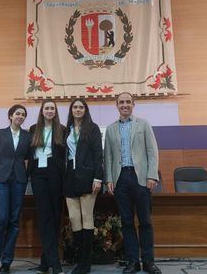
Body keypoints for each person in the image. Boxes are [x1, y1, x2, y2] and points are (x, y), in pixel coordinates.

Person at [104, 93, 162, 274]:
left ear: (133, 104)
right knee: (126, 223)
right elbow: (108, 157)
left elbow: (152, 151)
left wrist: (152, 175)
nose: (124, 105)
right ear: (117, 106)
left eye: (128, 102)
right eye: (121, 102)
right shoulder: (111, 129)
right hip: (121, 179)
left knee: (145, 222)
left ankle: (148, 261)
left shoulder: (143, 124)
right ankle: (132, 261)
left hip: (141, 179)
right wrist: (109, 179)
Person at [0, 105, 31, 273]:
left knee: (14, 221)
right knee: (1, 219)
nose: (20, 116)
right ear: (10, 116)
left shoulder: (27, 135)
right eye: (18, 113)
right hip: (1, 181)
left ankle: (6, 261)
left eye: (23, 115)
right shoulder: (0, 133)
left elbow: (29, 158)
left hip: (19, 181)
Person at [64, 99, 103, 274]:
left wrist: (98, 177)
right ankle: (81, 257)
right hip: (69, 177)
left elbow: (98, 154)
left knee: (86, 216)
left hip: (87, 176)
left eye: (81, 107)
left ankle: (86, 261)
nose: (78, 109)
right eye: (75, 107)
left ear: (85, 110)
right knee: (73, 218)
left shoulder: (92, 128)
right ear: (71, 110)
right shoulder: (67, 130)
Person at [29, 99, 66, 274]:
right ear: (42, 111)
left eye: (52, 108)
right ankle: (55, 263)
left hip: (54, 173)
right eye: (47, 108)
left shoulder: (62, 130)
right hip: (38, 173)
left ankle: (46, 261)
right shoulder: (33, 129)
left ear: (55, 111)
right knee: (44, 216)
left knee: (56, 216)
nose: (50, 111)